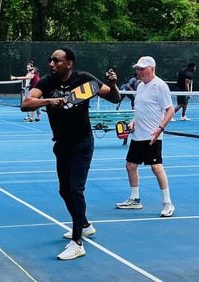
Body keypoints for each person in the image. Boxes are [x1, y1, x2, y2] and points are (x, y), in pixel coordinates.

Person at [21, 47, 120, 260]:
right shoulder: (47, 82)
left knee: (75, 190)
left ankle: (77, 243)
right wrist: (49, 101)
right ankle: (84, 224)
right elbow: (26, 104)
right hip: (62, 144)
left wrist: (112, 84)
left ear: (69, 63)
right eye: (50, 60)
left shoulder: (84, 79)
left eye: (56, 60)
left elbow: (113, 97)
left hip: (82, 144)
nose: (51, 64)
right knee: (64, 191)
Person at [115, 56, 175, 218]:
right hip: (138, 135)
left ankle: (168, 203)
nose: (138, 71)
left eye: (142, 68)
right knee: (130, 165)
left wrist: (160, 129)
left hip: (152, 136)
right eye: (138, 69)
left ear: (152, 68)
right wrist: (133, 121)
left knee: (156, 167)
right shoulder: (140, 86)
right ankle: (135, 199)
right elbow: (141, 109)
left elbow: (170, 110)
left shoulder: (160, 86)